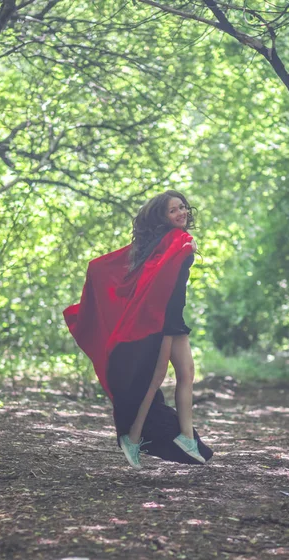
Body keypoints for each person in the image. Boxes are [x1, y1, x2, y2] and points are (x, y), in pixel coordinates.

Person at [63, 190, 213, 470]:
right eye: (173, 210)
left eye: (182, 207)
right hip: (164, 322)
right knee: (154, 380)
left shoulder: (169, 242)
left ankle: (185, 437)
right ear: (163, 216)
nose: (181, 213)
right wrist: (185, 249)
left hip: (174, 320)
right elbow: (127, 273)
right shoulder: (173, 241)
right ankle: (133, 437)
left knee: (186, 375)